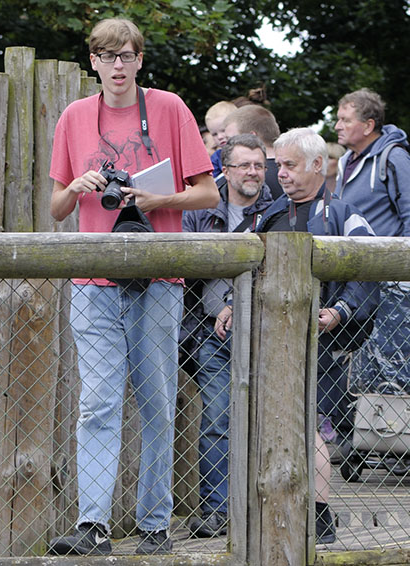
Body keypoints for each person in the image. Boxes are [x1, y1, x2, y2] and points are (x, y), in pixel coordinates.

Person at [46, 17, 219, 556]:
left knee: (157, 404)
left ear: (140, 60)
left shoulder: (169, 109)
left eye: (127, 55)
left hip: (158, 280)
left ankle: (153, 524)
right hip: (93, 282)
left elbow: (208, 194)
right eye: (107, 56)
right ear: (92, 62)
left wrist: (157, 199)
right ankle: (93, 526)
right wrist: (76, 186)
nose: (117, 65)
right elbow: (55, 209)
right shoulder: (75, 117)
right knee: (96, 404)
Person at [217, 127, 378, 545]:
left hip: (324, 344)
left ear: (317, 165)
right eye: (279, 166)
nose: (281, 174)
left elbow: (369, 268)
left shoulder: (344, 214)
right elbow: (249, 267)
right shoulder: (268, 216)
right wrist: (234, 304)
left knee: (316, 424)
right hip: (269, 342)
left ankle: (320, 514)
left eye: (289, 166)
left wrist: (339, 312)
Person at [182, 134, 274, 538]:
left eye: (259, 165)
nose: (253, 172)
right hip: (210, 334)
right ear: (225, 169)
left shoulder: (279, 209)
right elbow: (185, 264)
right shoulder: (199, 210)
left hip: (270, 333)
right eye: (245, 165)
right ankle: (218, 510)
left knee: (272, 420)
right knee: (218, 418)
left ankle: (268, 508)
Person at [334, 88, 410, 399]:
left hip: (392, 285)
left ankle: (392, 440)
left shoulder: (394, 157)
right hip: (357, 280)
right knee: (363, 368)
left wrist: (403, 274)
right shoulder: (345, 162)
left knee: (392, 368)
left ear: (368, 125)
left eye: (344, 119)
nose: (337, 125)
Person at [222, 105, 282, 199]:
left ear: (251, 137)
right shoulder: (295, 173)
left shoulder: (234, 177)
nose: (226, 146)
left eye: (231, 139)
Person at [205, 101, 237, 177]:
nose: (220, 137)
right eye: (214, 134)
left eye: (223, 130)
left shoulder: (251, 150)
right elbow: (214, 182)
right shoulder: (216, 158)